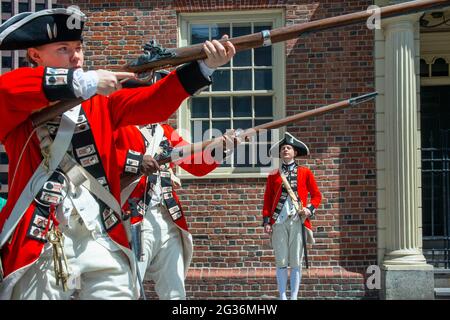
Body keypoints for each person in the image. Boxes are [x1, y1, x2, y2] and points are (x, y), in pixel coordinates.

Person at [0, 7, 235, 300]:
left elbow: (154, 103)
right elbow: (6, 90)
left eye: (78, 48)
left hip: (101, 234)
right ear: (35, 56)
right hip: (44, 239)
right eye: (63, 49)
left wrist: (203, 69)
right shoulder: (20, 98)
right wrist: (79, 83)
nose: (76, 57)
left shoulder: (100, 101)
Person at [115, 115, 235, 299]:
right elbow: (104, 156)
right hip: (133, 217)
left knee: (175, 291)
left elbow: (195, 162)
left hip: (167, 218)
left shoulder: (164, 132)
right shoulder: (120, 126)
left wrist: (222, 148)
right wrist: (135, 161)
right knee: (126, 289)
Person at [262, 132, 322, 300]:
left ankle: (293, 297)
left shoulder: (305, 172)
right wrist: (267, 221)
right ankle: (282, 296)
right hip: (278, 222)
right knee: (281, 261)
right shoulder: (273, 175)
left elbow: (317, 196)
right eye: (283, 148)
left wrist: (309, 209)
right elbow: (267, 200)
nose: (285, 150)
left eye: (288, 148)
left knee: (296, 261)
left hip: (297, 221)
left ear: (295, 153)